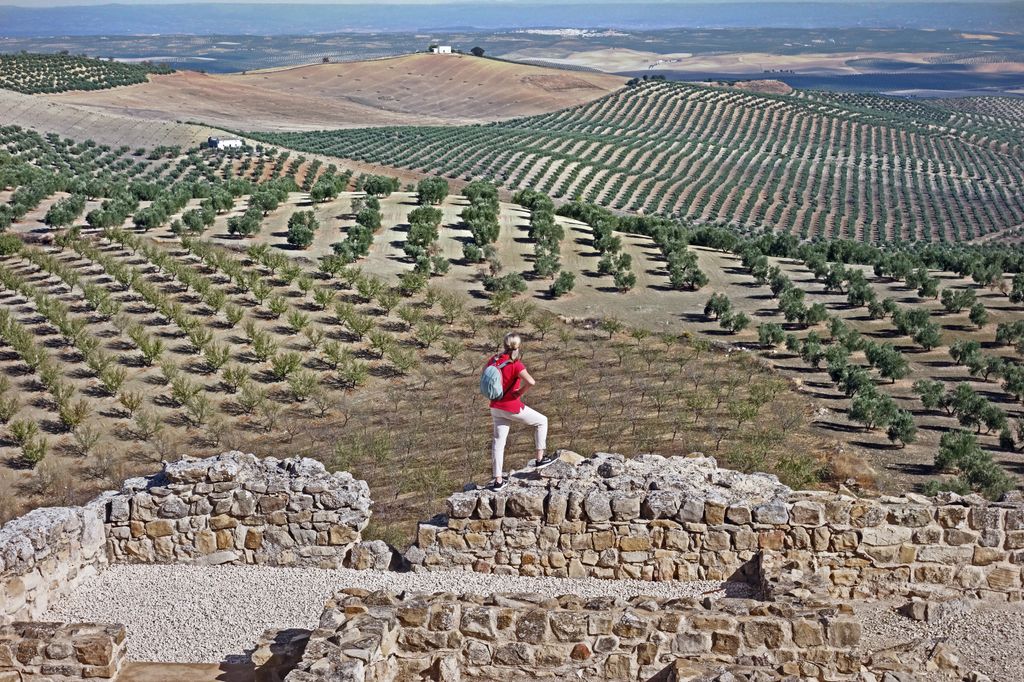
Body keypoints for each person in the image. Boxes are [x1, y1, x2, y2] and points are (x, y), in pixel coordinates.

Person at [486, 332, 553, 490]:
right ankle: (539, 459)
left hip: (495, 406)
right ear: (518, 346)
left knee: (498, 442)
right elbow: (531, 381)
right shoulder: (516, 364)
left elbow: (486, 376)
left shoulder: (494, 360)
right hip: (511, 406)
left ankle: (498, 481)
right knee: (542, 421)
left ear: (504, 344)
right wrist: (520, 392)